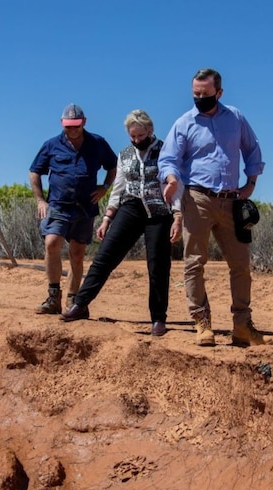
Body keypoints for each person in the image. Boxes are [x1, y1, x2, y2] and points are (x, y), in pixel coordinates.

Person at [158, 68, 270, 347]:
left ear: (219, 93)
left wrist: (251, 183)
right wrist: (171, 178)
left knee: (241, 264)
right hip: (197, 199)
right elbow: (168, 158)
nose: (199, 98)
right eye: (195, 94)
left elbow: (252, 149)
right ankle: (201, 322)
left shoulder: (235, 118)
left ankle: (243, 325)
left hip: (232, 201)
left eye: (206, 94)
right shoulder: (184, 123)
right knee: (195, 262)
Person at [60, 110, 183, 336]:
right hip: (131, 207)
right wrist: (107, 218)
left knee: (158, 266)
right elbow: (118, 188)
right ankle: (80, 304)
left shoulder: (165, 151)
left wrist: (177, 215)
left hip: (159, 211)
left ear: (150, 130)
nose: (136, 140)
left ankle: (158, 319)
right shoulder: (125, 154)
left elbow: (176, 185)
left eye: (139, 135)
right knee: (105, 256)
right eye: (132, 136)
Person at [29, 103, 118, 315]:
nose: (72, 129)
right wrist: (41, 200)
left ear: (84, 122)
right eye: (68, 126)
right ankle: (53, 297)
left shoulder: (97, 143)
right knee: (52, 243)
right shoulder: (51, 145)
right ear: (62, 124)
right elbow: (34, 172)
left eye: (76, 125)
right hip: (58, 205)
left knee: (77, 254)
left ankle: (73, 300)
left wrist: (104, 187)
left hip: (85, 208)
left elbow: (114, 166)